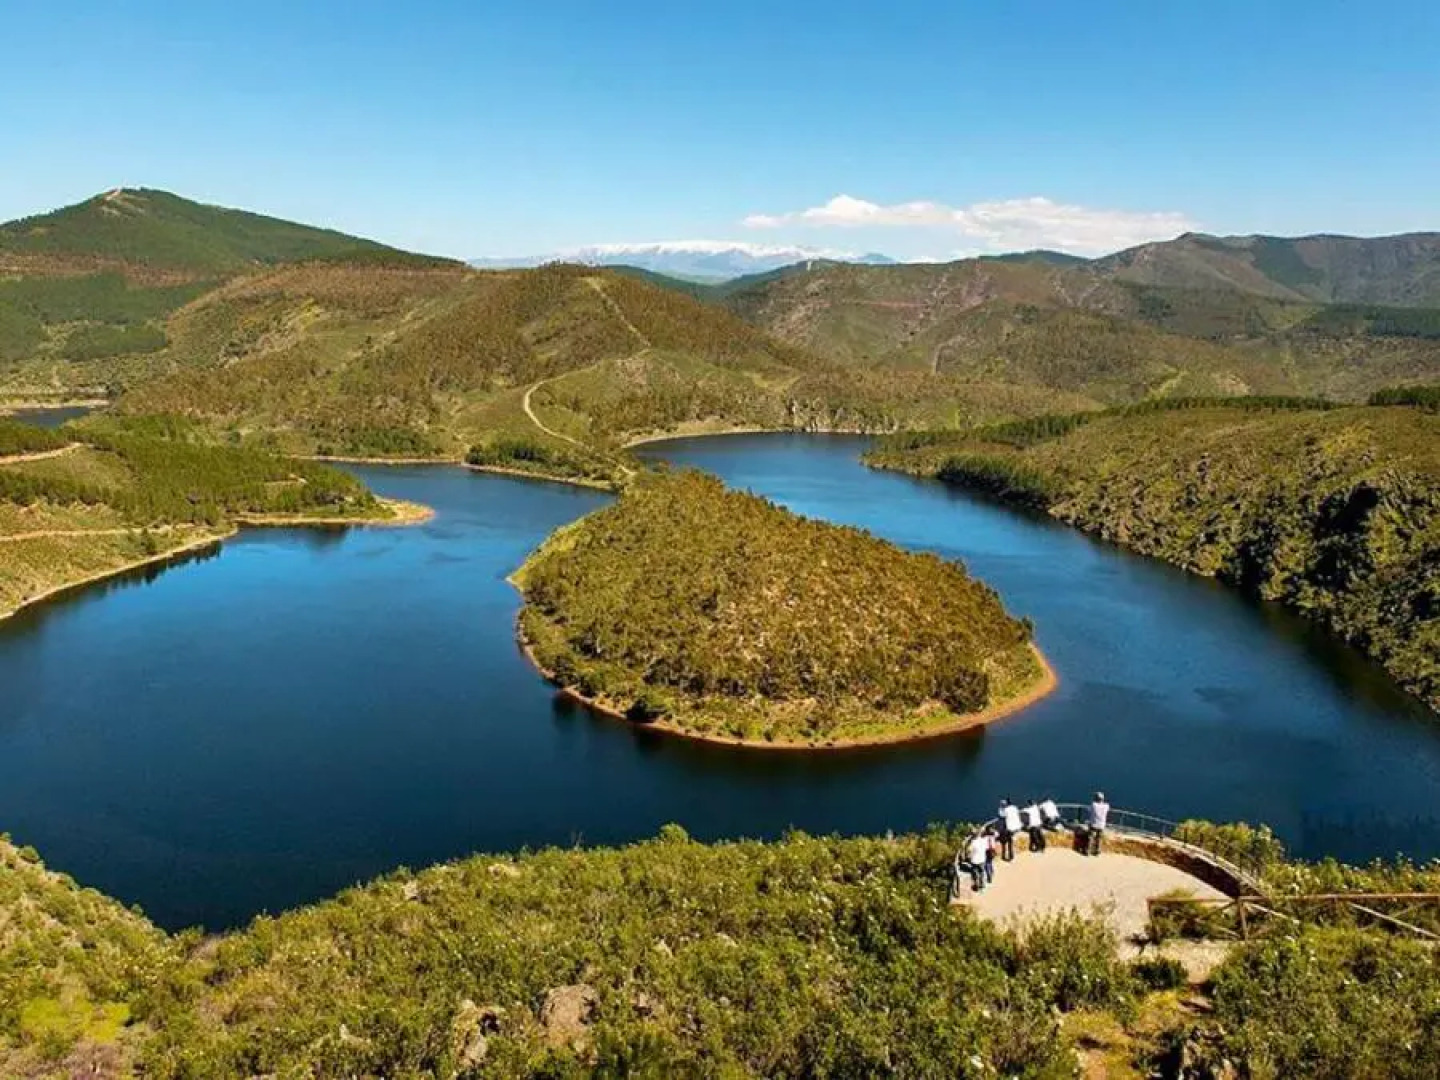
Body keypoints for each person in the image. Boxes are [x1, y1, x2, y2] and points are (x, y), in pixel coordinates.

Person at [1087, 791, 1110, 855]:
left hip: (1093, 824)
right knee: (1099, 838)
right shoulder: (1106, 806)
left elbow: (1089, 810)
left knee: (1090, 837)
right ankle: (1097, 851)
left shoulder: (1093, 805)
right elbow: (1107, 810)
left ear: (1096, 798)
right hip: (1101, 825)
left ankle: (1088, 850)